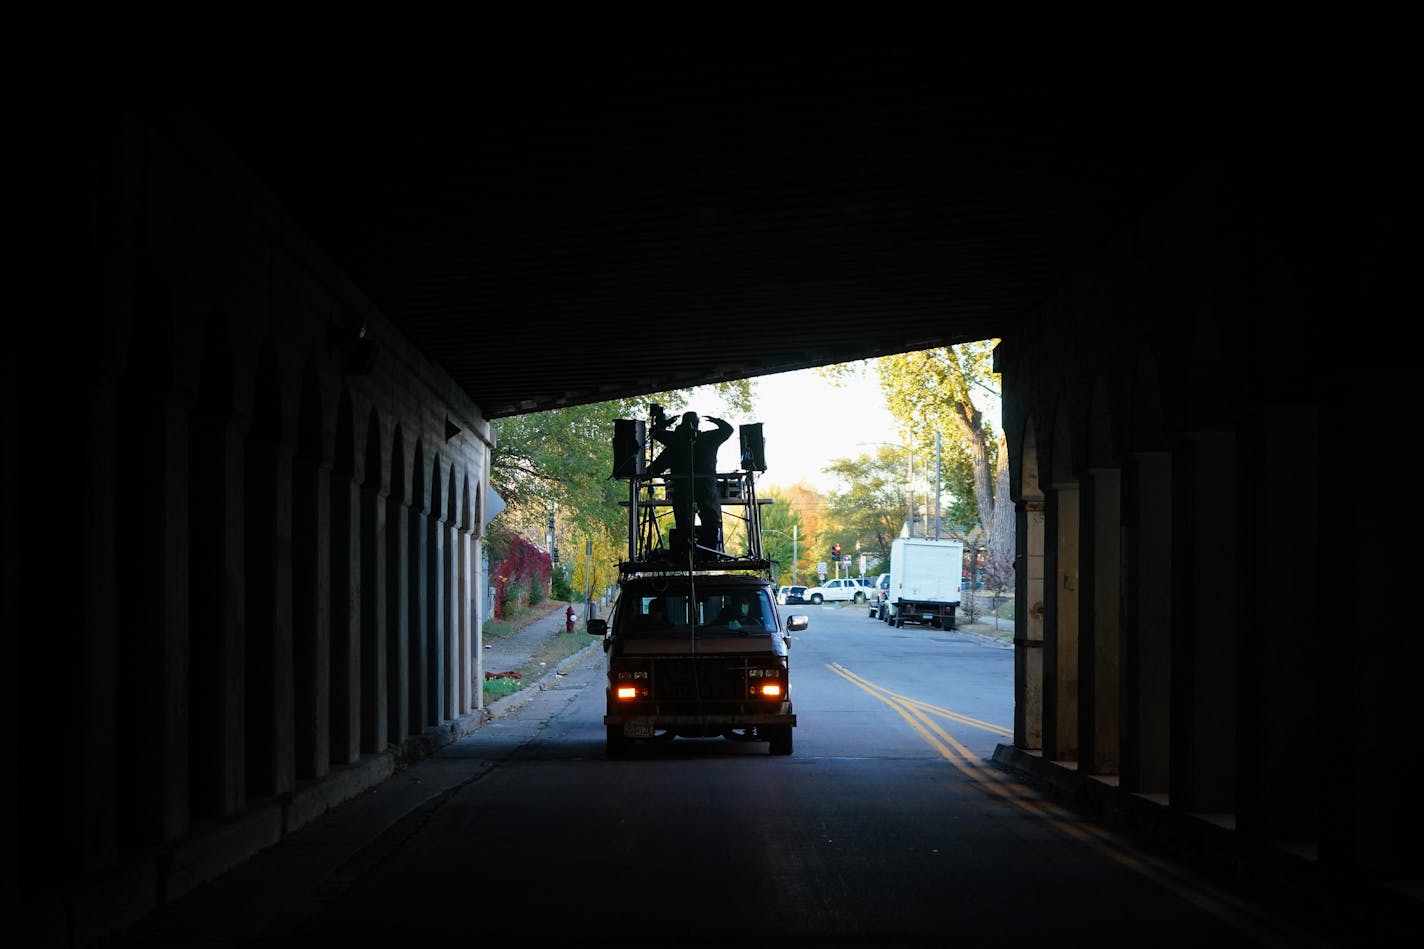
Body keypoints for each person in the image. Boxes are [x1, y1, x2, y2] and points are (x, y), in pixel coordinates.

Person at [645, 411, 732, 553]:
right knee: (710, 519)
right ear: (697, 423)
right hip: (706, 487)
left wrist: (665, 424)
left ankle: (686, 552)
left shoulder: (674, 441)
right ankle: (710, 552)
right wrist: (715, 420)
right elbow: (728, 430)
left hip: (682, 488)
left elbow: (655, 433)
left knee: (683, 521)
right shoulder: (708, 439)